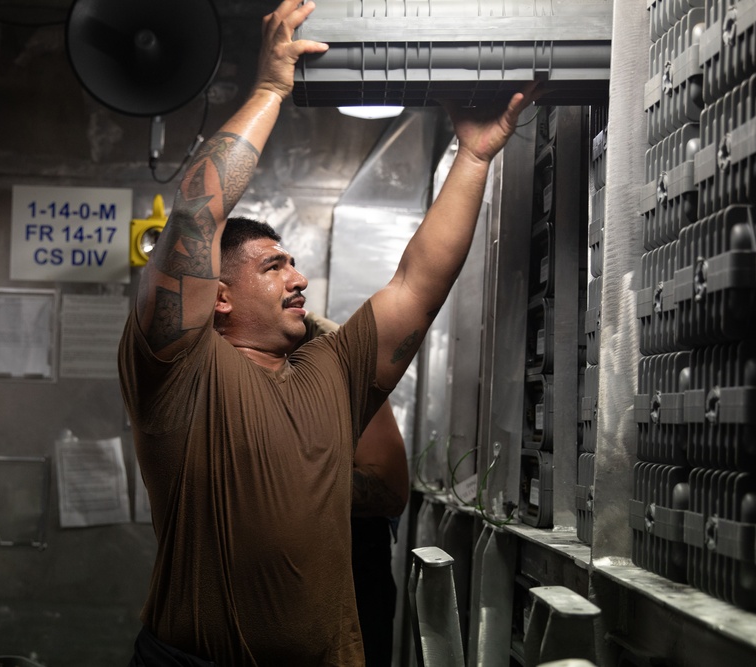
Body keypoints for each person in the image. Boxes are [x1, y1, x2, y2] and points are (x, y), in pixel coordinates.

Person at [118, 0, 539, 663]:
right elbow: (197, 218)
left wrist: (475, 157)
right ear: (218, 296)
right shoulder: (177, 373)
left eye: (295, 262)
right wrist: (268, 90)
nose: (300, 278)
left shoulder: (328, 373)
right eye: (274, 265)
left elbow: (415, 287)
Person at [302, 312, 409, 666]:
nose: (295, 279)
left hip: (349, 579)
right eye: (273, 266)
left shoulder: (328, 353)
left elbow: (389, 489)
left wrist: (285, 481)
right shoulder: (212, 362)